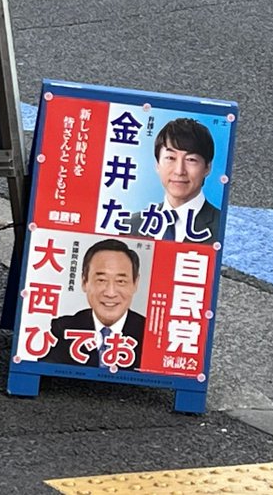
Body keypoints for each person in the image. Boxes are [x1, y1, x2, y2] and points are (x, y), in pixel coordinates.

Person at [43, 238, 145, 369]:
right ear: (84, 282)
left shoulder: (148, 334)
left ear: (135, 284)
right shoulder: (63, 328)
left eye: (121, 281)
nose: (110, 292)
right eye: (101, 280)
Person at [128, 117, 220, 244]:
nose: (179, 170)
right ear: (157, 165)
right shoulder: (132, 226)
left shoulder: (223, 228)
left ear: (207, 168)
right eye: (170, 158)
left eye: (191, 160)